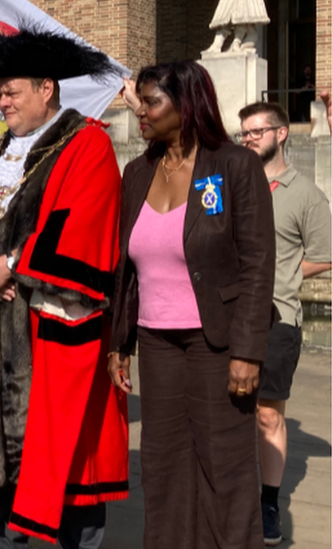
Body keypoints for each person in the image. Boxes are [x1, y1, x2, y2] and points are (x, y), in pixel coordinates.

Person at [0, 29, 128, 549]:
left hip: (50, 331)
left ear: (48, 88)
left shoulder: (87, 145)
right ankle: (7, 532)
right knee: (5, 459)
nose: (2, 102)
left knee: (65, 467)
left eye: (11, 91)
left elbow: (82, 231)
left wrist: (11, 269)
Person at [108, 61, 275, 549]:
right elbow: (128, 268)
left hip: (217, 342)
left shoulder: (233, 165)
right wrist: (121, 341)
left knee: (224, 465)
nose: (140, 111)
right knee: (163, 465)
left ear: (186, 106)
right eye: (138, 101)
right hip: (158, 342)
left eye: (151, 102)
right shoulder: (137, 173)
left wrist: (248, 350)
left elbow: (258, 263)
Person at [237, 102, 332, 546]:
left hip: (278, 318)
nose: (249, 138)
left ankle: (269, 502)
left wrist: (286, 272)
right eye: (244, 132)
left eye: (257, 131)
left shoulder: (305, 194)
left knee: (268, 414)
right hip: (229, 315)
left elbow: (325, 255)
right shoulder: (234, 186)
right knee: (227, 410)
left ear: (281, 133)